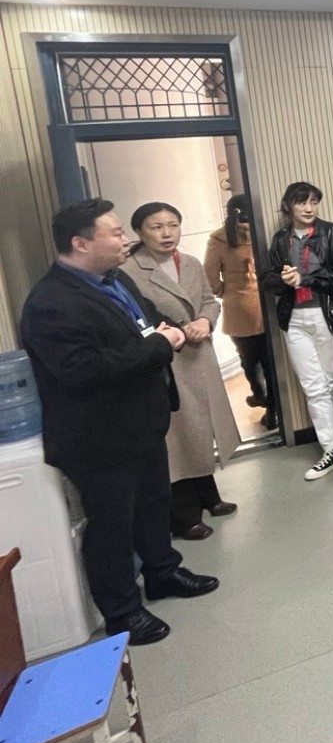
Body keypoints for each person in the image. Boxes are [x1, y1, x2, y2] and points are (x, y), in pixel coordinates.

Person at [20, 199, 218, 646]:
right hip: (99, 439)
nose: (124, 239)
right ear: (80, 243)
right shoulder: (50, 303)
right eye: (114, 233)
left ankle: (163, 572)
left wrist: (173, 329)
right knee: (112, 527)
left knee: (153, 505)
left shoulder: (116, 278)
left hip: (142, 423)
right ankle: (123, 613)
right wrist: (160, 346)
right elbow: (84, 370)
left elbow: (147, 317)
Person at [124, 202, 241, 540]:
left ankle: (209, 496)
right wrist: (174, 332)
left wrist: (205, 321)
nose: (167, 233)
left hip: (199, 355)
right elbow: (134, 318)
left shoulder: (189, 262)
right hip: (166, 360)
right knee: (178, 439)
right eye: (156, 226)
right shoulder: (129, 271)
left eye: (173, 225)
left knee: (202, 429)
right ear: (139, 232)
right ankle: (184, 514)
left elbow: (208, 300)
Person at [261, 182, 333, 481]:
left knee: (331, 383)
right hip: (294, 320)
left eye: (314, 202)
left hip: (327, 315)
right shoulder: (280, 239)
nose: (309, 208)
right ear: (288, 206)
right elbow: (267, 279)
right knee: (313, 386)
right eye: (302, 202)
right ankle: (332, 447)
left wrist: (305, 279)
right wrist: (283, 279)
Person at [204, 194, 277, 430]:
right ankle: (274, 411)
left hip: (237, 307)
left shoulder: (218, 239)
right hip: (265, 304)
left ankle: (260, 394)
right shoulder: (263, 232)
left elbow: (210, 278)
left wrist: (226, 291)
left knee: (248, 358)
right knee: (270, 360)